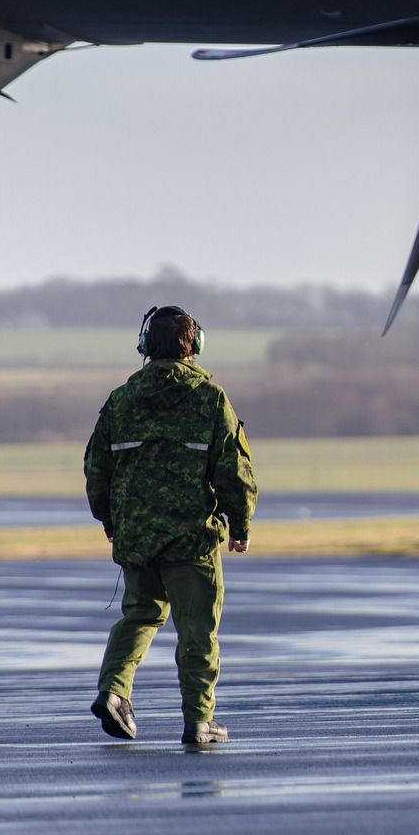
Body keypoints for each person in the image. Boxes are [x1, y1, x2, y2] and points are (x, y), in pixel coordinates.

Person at [84, 305, 256, 746]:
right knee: (197, 630)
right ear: (193, 345)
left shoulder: (121, 400)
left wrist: (111, 521)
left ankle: (113, 692)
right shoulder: (209, 398)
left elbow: (95, 467)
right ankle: (199, 720)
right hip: (191, 539)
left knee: (140, 615)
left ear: (145, 345)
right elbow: (233, 468)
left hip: (137, 538)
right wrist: (240, 524)